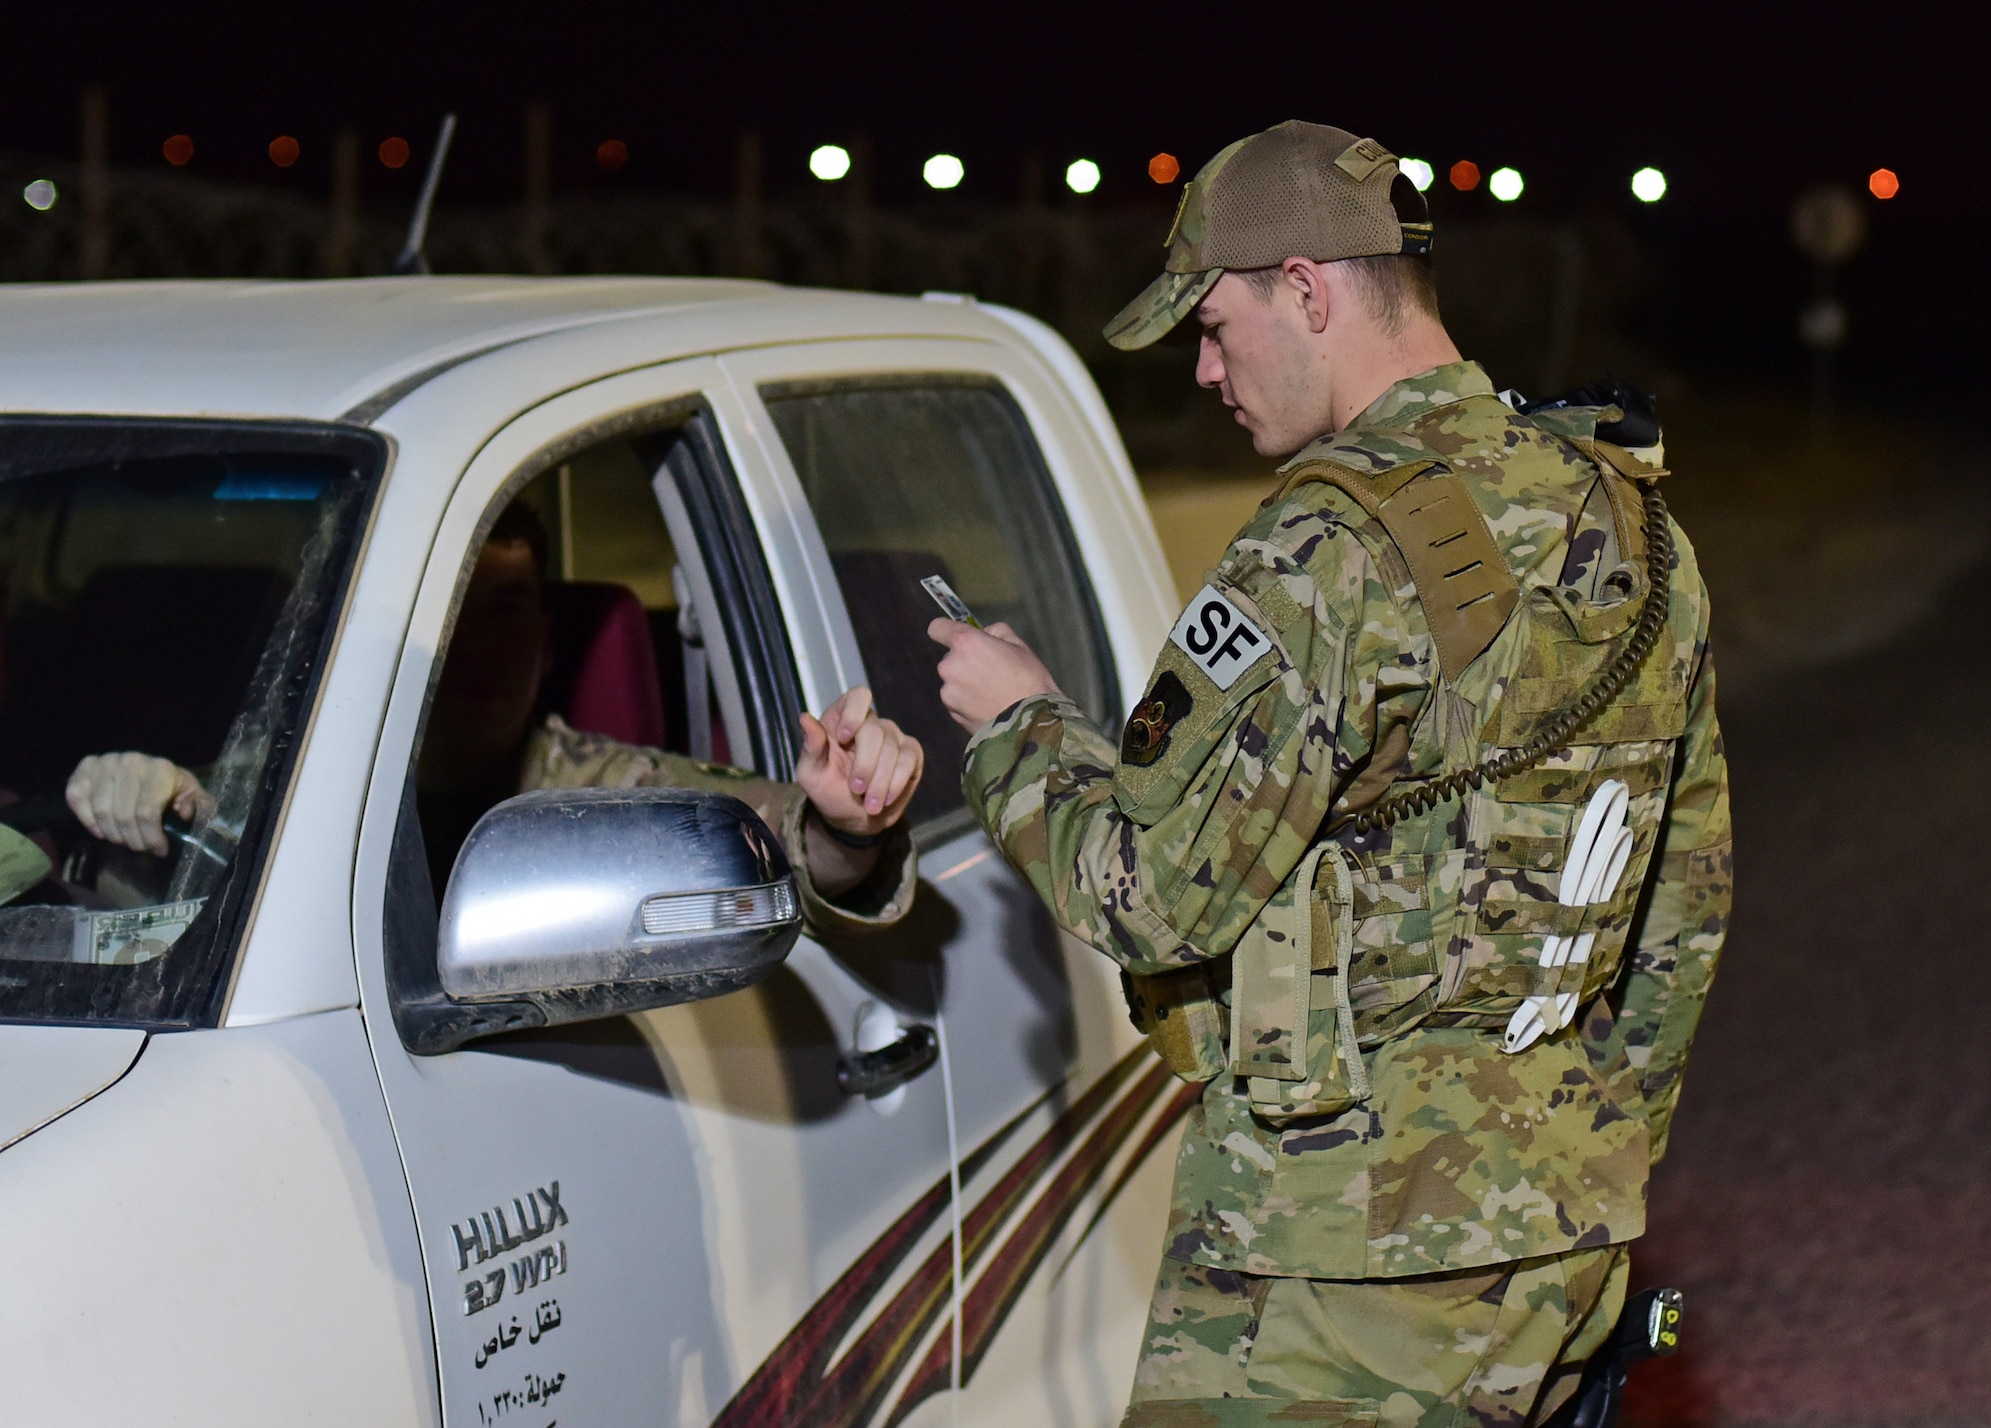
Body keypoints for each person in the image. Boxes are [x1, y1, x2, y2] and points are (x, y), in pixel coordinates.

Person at [931, 120, 1730, 1427]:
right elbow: (1680, 911)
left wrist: (1021, 725)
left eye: (1212, 323)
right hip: (1558, 1237)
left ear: (1306, 289)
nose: (1202, 368)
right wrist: (1592, 1158)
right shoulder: (1632, 515)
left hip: (1331, 1268)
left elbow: (1149, 895)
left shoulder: (1331, 541)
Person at [68, 501, 924, 935]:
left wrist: (848, 828)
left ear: (548, 649)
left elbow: (781, 846)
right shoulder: (299, 781)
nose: (476, 650)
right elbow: (180, 845)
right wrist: (126, 800)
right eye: (451, 619)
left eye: (507, 613)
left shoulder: (611, 787)